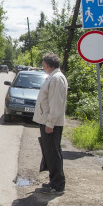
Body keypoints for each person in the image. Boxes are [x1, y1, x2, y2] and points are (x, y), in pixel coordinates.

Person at [33, 53, 68, 195]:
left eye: (43, 64)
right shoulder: (54, 77)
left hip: (51, 123)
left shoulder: (57, 78)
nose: (43, 67)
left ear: (48, 65)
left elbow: (56, 104)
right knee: (50, 152)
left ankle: (58, 185)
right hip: (48, 121)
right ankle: (54, 181)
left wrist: (50, 123)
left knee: (53, 153)